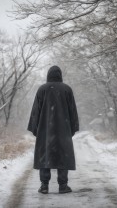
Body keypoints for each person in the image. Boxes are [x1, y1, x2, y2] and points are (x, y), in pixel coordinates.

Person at [27, 65, 79, 194]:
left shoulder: (42, 89)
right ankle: (63, 186)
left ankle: (44, 186)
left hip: (45, 130)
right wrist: (72, 128)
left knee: (45, 156)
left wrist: (35, 128)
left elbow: (35, 111)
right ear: (60, 75)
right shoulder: (67, 89)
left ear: (48, 75)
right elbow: (73, 111)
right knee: (63, 155)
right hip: (63, 129)